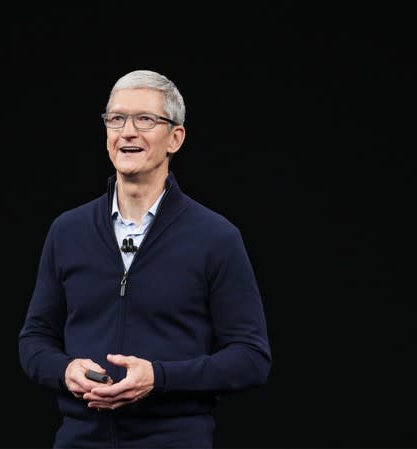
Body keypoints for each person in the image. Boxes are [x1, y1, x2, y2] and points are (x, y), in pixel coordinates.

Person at [18, 69, 272, 448]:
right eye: (116, 119)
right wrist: (65, 369)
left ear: (175, 138)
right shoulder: (67, 231)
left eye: (145, 120)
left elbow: (251, 358)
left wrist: (159, 377)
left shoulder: (216, 238)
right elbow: (34, 339)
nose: (128, 131)